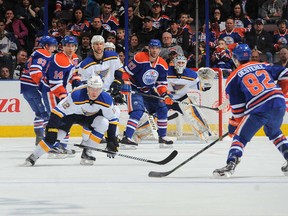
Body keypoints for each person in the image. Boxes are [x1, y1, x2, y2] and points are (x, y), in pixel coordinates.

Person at [213, 44, 288, 178]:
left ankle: (231, 164)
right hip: (278, 102)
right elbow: (284, 73)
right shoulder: (264, 65)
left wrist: (233, 127)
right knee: (274, 132)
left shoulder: (232, 78)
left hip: (260, 107)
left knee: (240, 137)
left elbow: (239, 111)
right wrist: (280, 93)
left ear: (235, 59)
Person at [23, 75, 119, 166]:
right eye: (92, 89)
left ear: (101, 90)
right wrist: (51, 129)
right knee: (57, 135)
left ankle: (88, 152)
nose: (94, 93)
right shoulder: (76, 95)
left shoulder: (106, 99)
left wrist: (111, 139)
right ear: (87, 88)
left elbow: (113, 119)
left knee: (103, 123)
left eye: (97, 90)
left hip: (90, 117)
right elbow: (57, 112)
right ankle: (33, 156)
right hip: (71, 115)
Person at [133, 55, 215, 143]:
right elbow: (155, 83)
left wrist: (207, 82)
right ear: (174, 63)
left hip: (182, 98)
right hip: (165, 98)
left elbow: (201, 87)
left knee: (193, 114)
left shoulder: (191, 74)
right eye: (178, 62)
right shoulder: (166, 71)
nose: (180, 65)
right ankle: (137, 135)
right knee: (157, 118)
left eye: (182, 63)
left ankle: (205, 134)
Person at [120, 39, 174, 149]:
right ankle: (127, 138)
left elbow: (161, 84)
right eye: (152, 48)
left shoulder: (163, 64)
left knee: (162, 108)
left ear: (160, 49)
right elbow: (125, 72)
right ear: (149, 48)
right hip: (135, 89)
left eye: (157, 48)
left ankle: (162, 137)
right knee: (137, 112)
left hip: (148, 91)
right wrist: (125, 82)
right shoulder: (140, 58)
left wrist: (165, 95)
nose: (154, 50)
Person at [76, 35, 124, 151]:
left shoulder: (113, 57)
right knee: (95, 118)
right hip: (93, 94)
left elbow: (119, 70)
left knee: (114, 113)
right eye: (96, 44)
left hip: (107, 93)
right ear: (92, 46)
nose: (99, 46)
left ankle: (112, 138)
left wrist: (117, 83)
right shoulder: (85, 64)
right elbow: (81, 83)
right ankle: (87, 138)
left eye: (101, 43)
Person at [20, 36, 57, 146]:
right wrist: (42, 85)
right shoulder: (43, 53)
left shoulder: (36, 52)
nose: (54, 49)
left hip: (25, 87)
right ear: (46, 46)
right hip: (33, 87)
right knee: (45, 114)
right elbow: (35, 70)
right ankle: (48, 140)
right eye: (52, 46)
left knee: (39, 113)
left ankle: (39, 138)